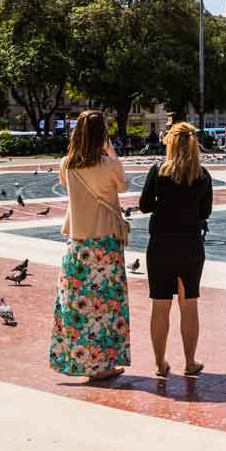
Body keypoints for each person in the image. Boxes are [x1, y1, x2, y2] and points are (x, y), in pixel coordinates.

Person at [49, 110, 131, 382]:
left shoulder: (67, 164)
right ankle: (103, 364)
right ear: (102, 135)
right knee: (106, 306)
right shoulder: (109, 164)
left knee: (78, 305)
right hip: (106, 242)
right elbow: (123, 186)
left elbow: (65, 180)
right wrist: (111, 151)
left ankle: (78, 361)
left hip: (78, 243)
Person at [139, 122, 212, 377]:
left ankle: (160, 364)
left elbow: (144, 205)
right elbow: (206, 212)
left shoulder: (158, 171)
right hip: (191, 244)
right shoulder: (202, 175)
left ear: (170, 142)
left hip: (161, 244)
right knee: (189, 305)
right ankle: (190, 362)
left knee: (160, 307)